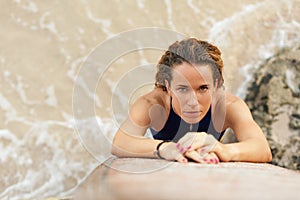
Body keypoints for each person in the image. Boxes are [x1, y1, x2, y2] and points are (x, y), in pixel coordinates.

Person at [111, 38, 272, 164]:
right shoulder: (153, 104)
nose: (193, 101)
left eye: (203, 88)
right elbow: (120, 143)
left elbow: (262, 148)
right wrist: (164, 148)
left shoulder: (228, 106)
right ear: (167, 85)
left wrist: (223, 150)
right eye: (182, 89)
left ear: (216, 85)